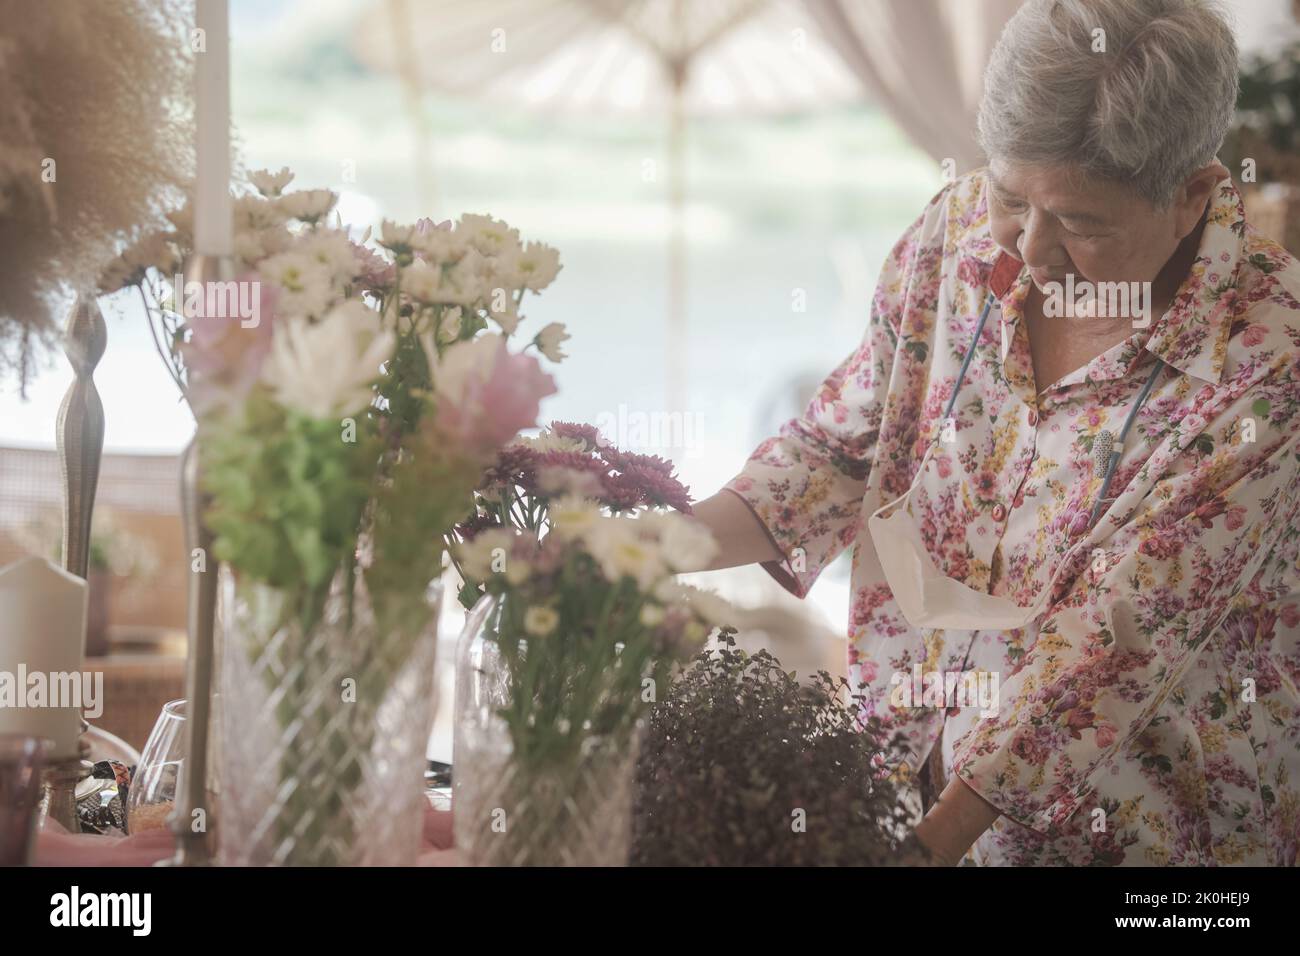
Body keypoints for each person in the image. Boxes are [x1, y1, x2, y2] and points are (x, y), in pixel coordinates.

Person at [690, 0, 1300, 866]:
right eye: (1013, 197)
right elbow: (837, 452)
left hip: (1141, 846)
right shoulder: (957, 230)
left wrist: (923, 847)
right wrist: (632, 544)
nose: (1031, 251)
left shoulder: (1271, 359)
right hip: (902, 774)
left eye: (1083, 223)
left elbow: (1115, 638)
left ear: (1192, 195)